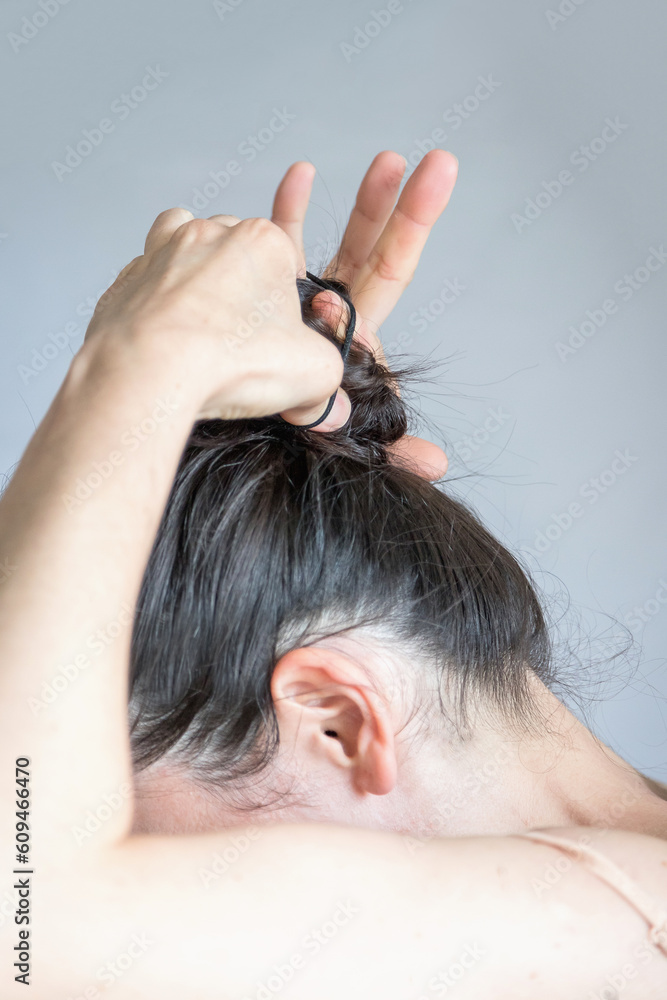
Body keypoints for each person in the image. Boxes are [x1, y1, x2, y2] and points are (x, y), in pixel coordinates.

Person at [0, 149, 665, 1000]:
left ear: (337, 720)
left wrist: (140, 359)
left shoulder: (619, 911)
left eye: (142, 862)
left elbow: (26, 933)